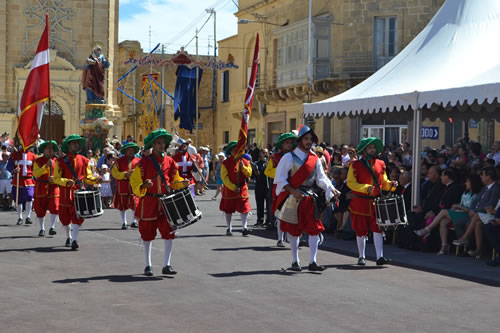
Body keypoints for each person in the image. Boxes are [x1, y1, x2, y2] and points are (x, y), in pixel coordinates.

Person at [274, 126, 339, 271]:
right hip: (293, 198)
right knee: (294, 230)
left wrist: (330, 188)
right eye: (306, 139)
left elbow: (321, 179)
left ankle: (312, 262)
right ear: (300, 140)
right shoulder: (288, 157)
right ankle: (295, 261)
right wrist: (293, 191)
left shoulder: (314, 159)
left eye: (311, 139)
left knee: (314, 229)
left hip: (310, 198)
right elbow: (280, 179)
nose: (309, 142)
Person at [130, 129, 188, 276]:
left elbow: (175, 180)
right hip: (149, 201)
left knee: (169, 232)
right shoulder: (143, 163)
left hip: (166, 202)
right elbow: (135, 182)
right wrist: (143, 186)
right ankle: (148, 265)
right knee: (148, 233)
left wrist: (183, 183)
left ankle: (166, 265)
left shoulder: (170, 161)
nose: (162, 145)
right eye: (159, 143)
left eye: (163, 143)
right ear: (153, 144)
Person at [347, 137, 397, 266]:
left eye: (374, 147)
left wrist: (391, 184)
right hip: (360, 202)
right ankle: (361, 256)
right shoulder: (355, 165)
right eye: (369, 147)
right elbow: (351, 183)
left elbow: (383, 182)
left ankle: (379, 257)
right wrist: (365, 188)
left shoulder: (381, 163)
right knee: (360, 230)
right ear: (364, 150)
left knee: (378, 229)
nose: (372, 150)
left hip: (376, 202)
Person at [53, 135, 101, 250]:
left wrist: (95, 179)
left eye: (77, 143)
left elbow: (87, 177)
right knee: (64, 218)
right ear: (68, 145)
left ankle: (74, 240)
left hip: (79, 193)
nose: (76, 145)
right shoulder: (60, 161)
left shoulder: (85, 160)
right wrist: (66, 182)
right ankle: (68, 236)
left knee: (77, 216)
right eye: (73, 143)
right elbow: (56, 178)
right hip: (65, 193)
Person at [415, 174, 482, 254]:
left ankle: (427, 229)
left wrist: (460, 207)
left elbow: (471, 210)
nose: (465, 183)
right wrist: (456, 206)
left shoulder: (476, 195)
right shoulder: (465, 193)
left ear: (473, 183)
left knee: (443, 211)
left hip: (466, 215)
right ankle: (444, 246)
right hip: (459, 212)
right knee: (443, 221)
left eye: (468, 182)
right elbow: (461, 204)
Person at [453, 167, 500, 258]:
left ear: (488, 177)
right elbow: (475, 201)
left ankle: (465, 238)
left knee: (476, 217)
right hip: (477, 215)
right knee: (476, 222)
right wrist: (472, 209)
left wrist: (475, 211)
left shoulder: (496, 188)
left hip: (488, 214)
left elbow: (491, 204)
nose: (481, 177)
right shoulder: (484, 188)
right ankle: (478, 250)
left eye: (482, 175)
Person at [264, 132, 297, 246]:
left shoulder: (296, 156)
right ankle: (280, 238)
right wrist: (280, 171)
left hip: (294, 188)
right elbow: (267, 171)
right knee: (280, 212)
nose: (289, 144)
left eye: (291, 142)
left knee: (294, 213)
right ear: (282, 144)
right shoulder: (275, 157)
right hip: (280, 188)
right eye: (286, 142)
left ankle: (292, 237)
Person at [219, 140, 252, 236]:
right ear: (230, 151)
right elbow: (224, 178)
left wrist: (243, 167)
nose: (236, 152)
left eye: (237, 150)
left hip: (242, 187)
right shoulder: (225, 163)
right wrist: (233, 187)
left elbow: (249, 174)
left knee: (244, 207)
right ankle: (229, 228)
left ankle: (244, 227)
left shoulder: (245, 161)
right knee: (228, 209)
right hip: (230, 189)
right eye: (233, 150)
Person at [33, 140, 60, 237]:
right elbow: (36, 174)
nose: (50, 150)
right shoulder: (37, 161)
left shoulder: (58, 161)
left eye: (52, 149)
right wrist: (46, 166)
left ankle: (52, 227)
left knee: (55, 206)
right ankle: (42, 228)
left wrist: (55, 179)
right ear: (44, 150)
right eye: (48, 148)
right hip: (41, 186)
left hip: (54, 187)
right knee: (40, 208)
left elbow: (61, 174)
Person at [111, 142, 141, 229]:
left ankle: (134, 221)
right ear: (125, 151)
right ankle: (124, 222)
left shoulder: (138, 161)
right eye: (129, 150)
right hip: (123, 184)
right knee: (122, 203)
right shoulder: (119, 161)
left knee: (135, 202)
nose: (131, 152)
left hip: (134, 185)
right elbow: (114, 173)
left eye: (132, 150)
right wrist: (125, 174)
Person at [8, 148, 37, 225]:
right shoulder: (14, 155)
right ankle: (20, 217)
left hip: (29, 180)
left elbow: (36, 169)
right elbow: (9, 166)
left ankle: (28, 217)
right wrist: (14, 170)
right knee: (18, 199)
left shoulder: (33, 156)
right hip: (17, 180)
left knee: (30, 197)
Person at [253, 148, 269, 226]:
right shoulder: (256, 164)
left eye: (266, 152)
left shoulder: (270, 163)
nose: (265, 154)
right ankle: (260, 220)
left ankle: (268, 220)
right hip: (259, 186)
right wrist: (255, 173)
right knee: (259, 204)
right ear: (260, 154)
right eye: (263, 152)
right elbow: (252, 176)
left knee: (268, 205)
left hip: (268, 187)